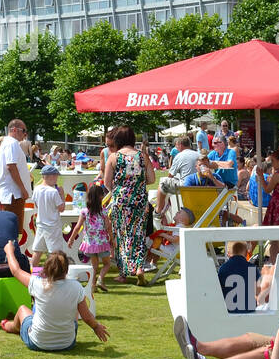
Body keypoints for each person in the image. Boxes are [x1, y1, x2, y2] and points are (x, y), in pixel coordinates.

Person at [0, 241, 107, 351]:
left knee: (22, 309)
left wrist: (9, 251)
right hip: (67, 343)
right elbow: (87, 317)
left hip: (37, 342)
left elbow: (16, 271)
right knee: (73, 309)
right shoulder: (76, 286)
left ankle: (8, 326)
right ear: (66, 270)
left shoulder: (38, 283)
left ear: (46, 268)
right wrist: (96, 327)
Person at [102, 125, 155, 285]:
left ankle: (123, 274)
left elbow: (106, 182)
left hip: (120, 201)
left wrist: (118, 191)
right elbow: (152, 179)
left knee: (121, 235)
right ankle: (139, 268)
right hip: (139, 201)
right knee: (138, 234)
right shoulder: (142, 156)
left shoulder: (114, 157)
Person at [66, 183, 115, 292]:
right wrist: (112, 239)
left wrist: (71, 239)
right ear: (101, 197)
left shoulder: (84, 212)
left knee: (94, 266)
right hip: (102, 242)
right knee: (107, 264)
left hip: (90, 244)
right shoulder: (103, 211)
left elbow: (77, 227)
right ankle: (100, 279)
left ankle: (92, 286)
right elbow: (108, 227)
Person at [0, 119, 32, 234]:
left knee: (10, 230)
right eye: (24, 131)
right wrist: (23, 189)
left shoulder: (7, 143)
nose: (25, 134)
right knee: (12, 231)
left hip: (11, 193)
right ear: (15, 130)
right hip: (14, 194)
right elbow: (11, 166)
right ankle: (11, 252)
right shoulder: (11, 143)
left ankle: (11, 251)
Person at [31, 164, 71, 264]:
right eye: (56, 176)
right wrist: (62, 194)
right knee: (55, 253)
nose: (57, 179)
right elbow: (61, 208)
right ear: (51, 176)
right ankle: (53, 274)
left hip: (40, 224)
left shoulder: (36, 189)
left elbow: (36, 204)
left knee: (37, 251)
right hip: (52, 226)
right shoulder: (53, 192)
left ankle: (34, 273)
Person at [153, 136, 200, 220]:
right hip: (200, 186)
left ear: (180, 145)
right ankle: (166, 205)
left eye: (176, 145)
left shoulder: (179, 156)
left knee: (163, 182)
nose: (176, 147)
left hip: (185, 187)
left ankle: (158, 211)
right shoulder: (198, 154)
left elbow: (170, 175)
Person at [218, 240, 259, 313]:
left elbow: (219, 290)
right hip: (249, 311)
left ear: (228, 254)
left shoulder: (223, 268)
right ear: (247, 253)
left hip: (229, 311)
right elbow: (258, 291)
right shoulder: (252, 268)